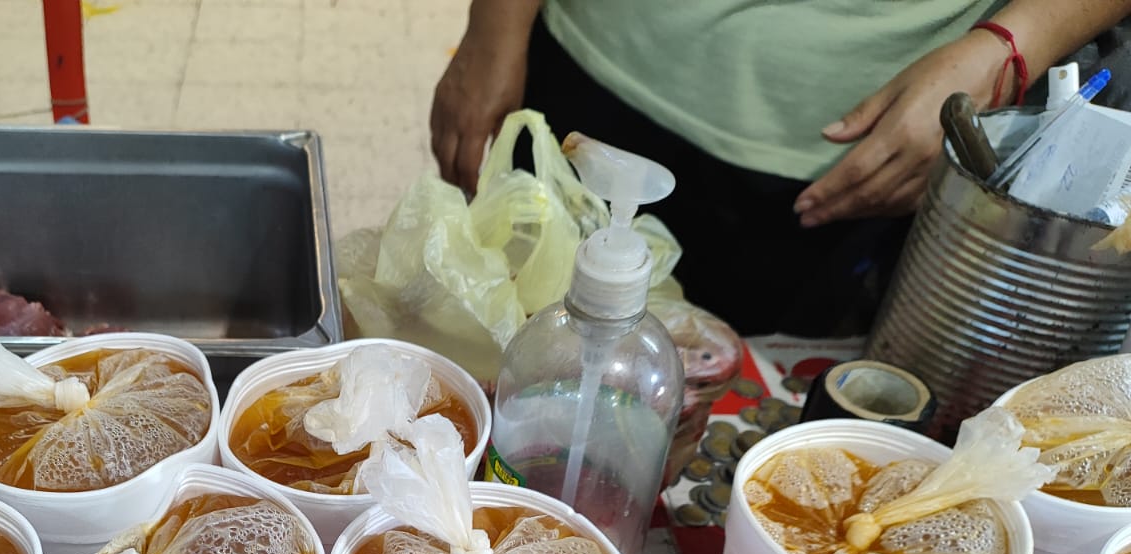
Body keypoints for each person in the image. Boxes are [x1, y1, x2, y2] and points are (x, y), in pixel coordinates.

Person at [431, 0, 1131, 336]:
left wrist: (1007, 50)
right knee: (498, 350)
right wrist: (495, 23)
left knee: (724, 416)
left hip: (854, 150)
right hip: (597, 63)